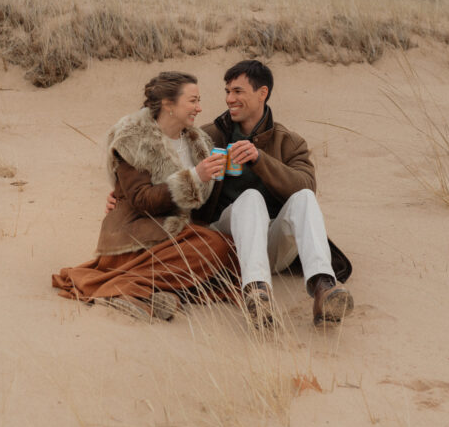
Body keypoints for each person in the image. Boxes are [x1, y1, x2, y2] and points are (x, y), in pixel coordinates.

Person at [107, 60, 353, 328]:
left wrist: (260, 159)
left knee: (304, 197)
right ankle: (257, 293)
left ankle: (323, 288)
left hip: (274, 243)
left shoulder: (289, 142)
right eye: (227, 91)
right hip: (224, 242)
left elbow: (306, 185)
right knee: (250, 198)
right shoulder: (207, 137)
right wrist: (122, 198)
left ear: (262, 93)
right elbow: (164, 175)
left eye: (237, 92)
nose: (229, 99)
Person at [52, 71, 238, 321]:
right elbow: (142, 200)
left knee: (229, 250)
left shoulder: (199, 141)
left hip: (176, 233)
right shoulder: (134, 140)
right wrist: (195, 177)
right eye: (193, 101)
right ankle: (122, 288)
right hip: (137, 234)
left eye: (199, 100)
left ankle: (148, 291)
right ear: (168, 104)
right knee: (213, 247)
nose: (200, 108)